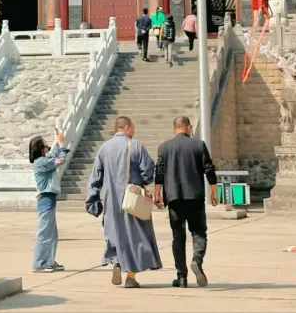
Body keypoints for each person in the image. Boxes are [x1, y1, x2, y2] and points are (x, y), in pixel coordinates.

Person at [86, 116, 162, 288]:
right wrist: (143, 182)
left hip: (111, 202)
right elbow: (148, 170)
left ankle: (118, 263)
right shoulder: (134, 145)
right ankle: (131, 276)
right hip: (132, 199)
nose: (133, 130)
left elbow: (95, 177)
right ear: (126, 127)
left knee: (115, 234)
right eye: (133, 127)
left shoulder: (104, 148)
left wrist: (92, 199)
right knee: (135, 236)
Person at [154, 116, 219, 289]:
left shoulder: (164, 147)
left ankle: (181, 277)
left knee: (178, 237)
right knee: (199, 232)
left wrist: (157, 194)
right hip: (195, 197)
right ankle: (196, 260)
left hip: (174, 198)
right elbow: (209, 168)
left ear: (174, 128)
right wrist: (214, 192)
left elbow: (159, 172)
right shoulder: (198, 145)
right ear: (189, 127)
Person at [29, 128, 69, 273]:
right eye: (46, 145)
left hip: (49, 199)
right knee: (45, 233)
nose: (48, 147)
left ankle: (49, 260)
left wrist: (58, 140)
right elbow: (60, 160)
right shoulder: (41, 162)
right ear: (40, 149)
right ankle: (39, 264)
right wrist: (62, 144)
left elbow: (53, 155)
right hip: (45, 199)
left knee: (51, 233)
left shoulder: (44, 160)